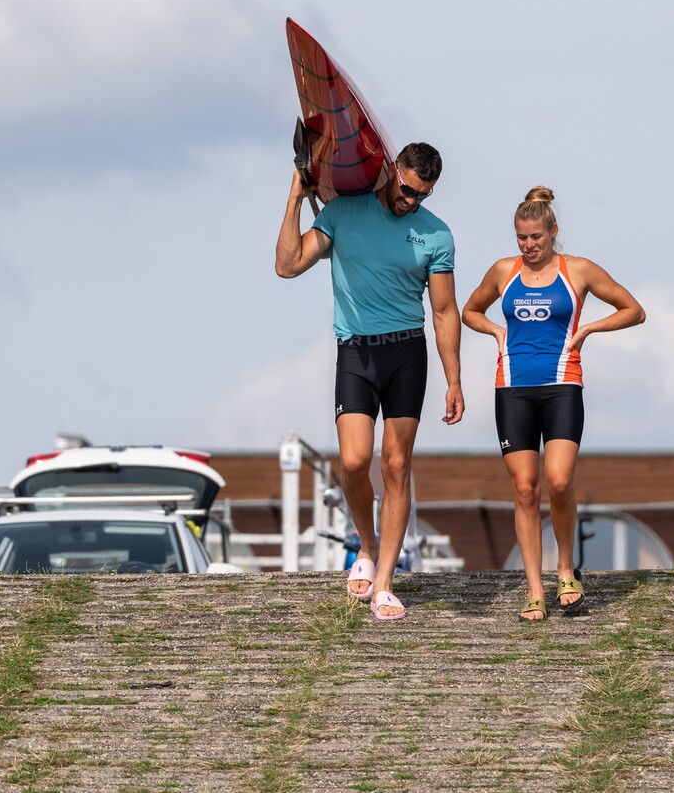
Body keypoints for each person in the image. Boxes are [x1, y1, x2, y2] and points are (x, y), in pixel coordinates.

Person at [276, 143, 463, 621]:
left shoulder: (435, 234)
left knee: (396, 466)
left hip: (406, 353)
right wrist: (297, 195)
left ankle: (384, 581)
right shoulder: (342, 214)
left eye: (422, 195)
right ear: (391, 171)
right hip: (356, 352)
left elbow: (443, 311)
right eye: (406, 190)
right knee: (356, 463)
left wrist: (454, 379)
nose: (411, 202)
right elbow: (288, 265)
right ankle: (368, 544)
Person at [461, 186, 645, 621]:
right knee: (525, 489)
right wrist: (493, 330)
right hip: (512, 389)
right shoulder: (503, 271)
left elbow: (633, 310)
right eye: (521, 238)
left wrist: (589, 329)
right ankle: (533, 591)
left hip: (563, 384)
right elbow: (470, 310)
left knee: (559, 481)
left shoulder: (577, 270)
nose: (528, 246)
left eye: (536, 238)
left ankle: (566, 569)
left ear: (553, 232)